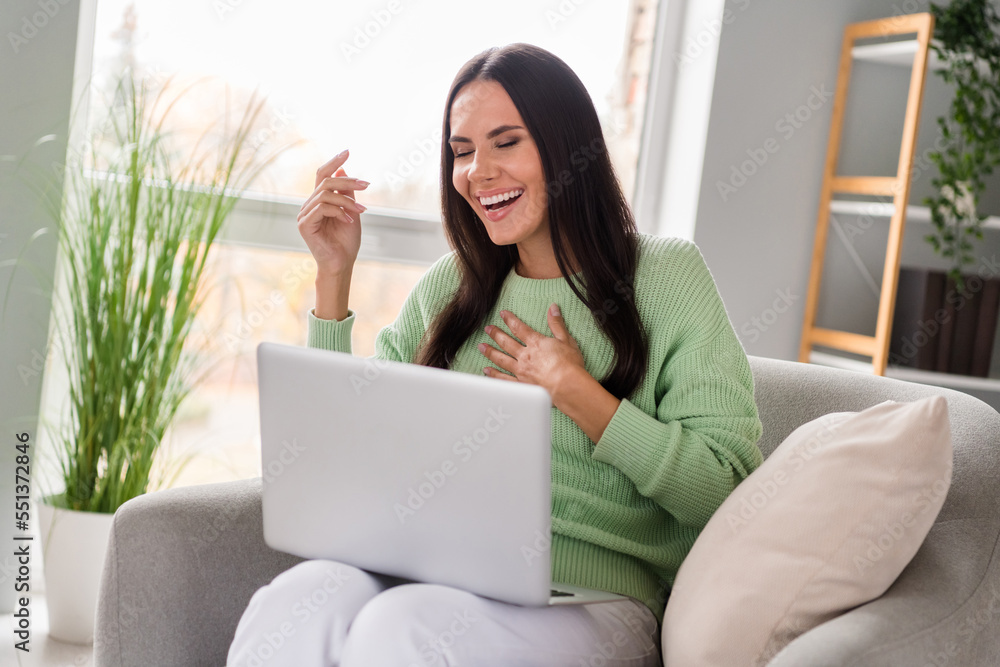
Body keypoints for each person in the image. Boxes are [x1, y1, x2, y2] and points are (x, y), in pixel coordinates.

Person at [227, 43, 763, 666]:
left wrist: (579, 394)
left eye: (506, 142)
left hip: (593, 602)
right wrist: (333, 278)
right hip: (437, 576)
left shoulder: (666, 279)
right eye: (462, 151)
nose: (477, 172)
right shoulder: (449, 289)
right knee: (300, 597)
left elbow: (730, 493)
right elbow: (348, 458)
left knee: (404, 629)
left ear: (567, 147)